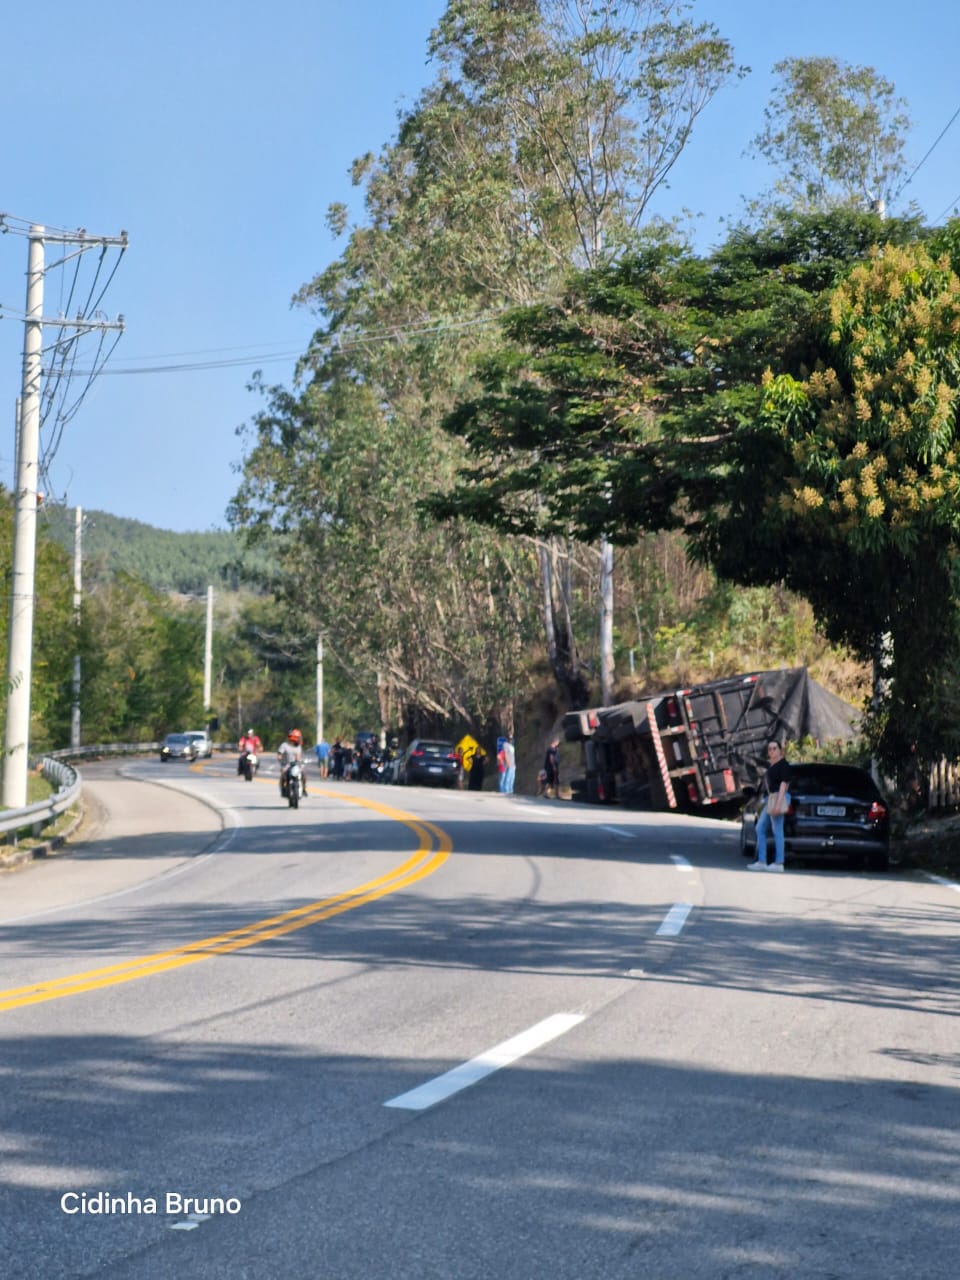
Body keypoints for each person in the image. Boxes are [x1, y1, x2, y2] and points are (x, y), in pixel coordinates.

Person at [747, 740, 792, 871]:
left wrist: (778, 804)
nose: (772, 751)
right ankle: (762, 861)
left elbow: (784, 784)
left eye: (774, 748)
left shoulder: (783, 764)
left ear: (780, 750)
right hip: (771, 798)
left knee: (777, 830)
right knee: (760, 828)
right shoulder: (772, 766)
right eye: (769, 749)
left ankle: (779, 863)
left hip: (778, 797)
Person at [278, 728, 306, 798]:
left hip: (295, 764)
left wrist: (300, 762)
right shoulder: (284, 745)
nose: (299, 739)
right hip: (286, 764)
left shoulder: (298, 747)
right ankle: (283, 789)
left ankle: (303, 789)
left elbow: (298, 757)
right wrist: (280, 758)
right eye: (298, 738)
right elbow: (280, 754)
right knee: (283, 774)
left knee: (303, 773)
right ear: (294, 738)